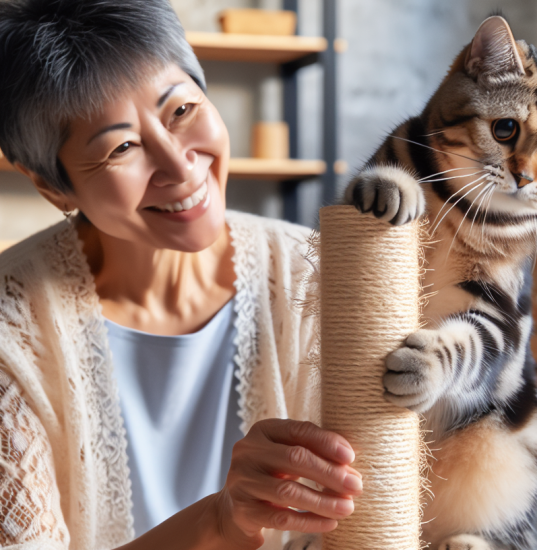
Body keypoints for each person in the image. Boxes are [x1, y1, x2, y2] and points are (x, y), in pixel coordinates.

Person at [0, 1, 361, 549]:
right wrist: (219, 522)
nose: (180, 165)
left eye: (182, 110)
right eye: (121, 147)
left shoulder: (317, 275)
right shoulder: (11, 332)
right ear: (54, 187)